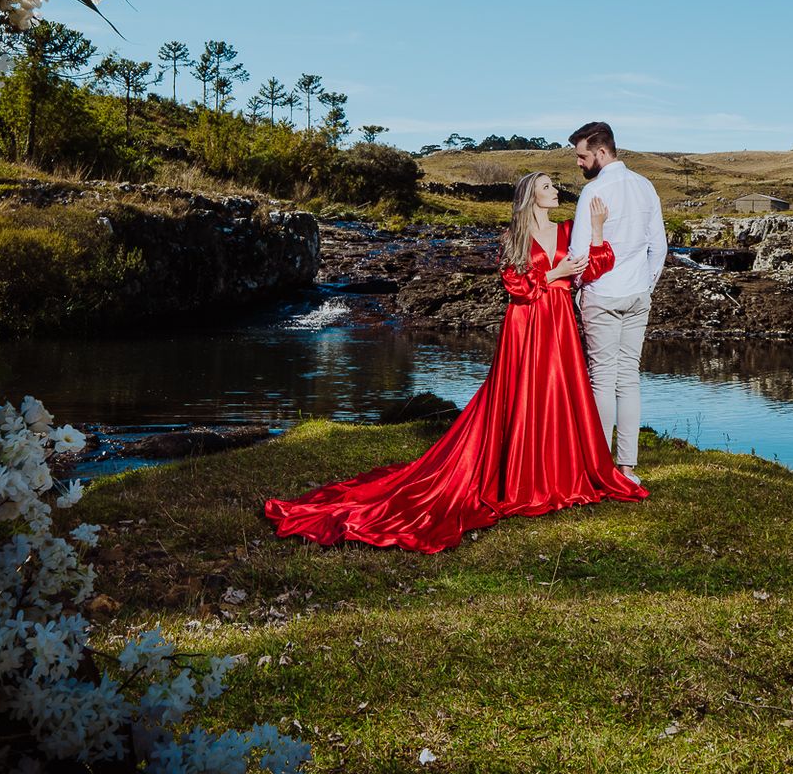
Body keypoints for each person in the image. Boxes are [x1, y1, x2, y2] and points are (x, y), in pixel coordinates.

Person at [264, 172, 647, 552]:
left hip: (559, 321)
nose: (555, 192)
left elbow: (595, 268)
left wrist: (596, 231)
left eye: (553, 186)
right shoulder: (513, 237)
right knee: (521, 395)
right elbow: (514, 285)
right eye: (547, 186)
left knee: (558, 394)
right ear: (530, 196)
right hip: (525, 323)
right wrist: (554, 273)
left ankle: (557, 473)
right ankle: (519, 475)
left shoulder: (567, 231)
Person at [566, 121, 666, 485]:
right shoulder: (645, 186)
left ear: (601, 152)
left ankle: (599, 466)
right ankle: (627, 468)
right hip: (638, 293)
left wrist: (579, 289)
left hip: (603, 295)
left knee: (603, 380)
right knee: (630, 380)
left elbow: (579, 254)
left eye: (582, 156)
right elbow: (660, 247)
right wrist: (647, 285)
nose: (579, 163)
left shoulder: (595, 192)